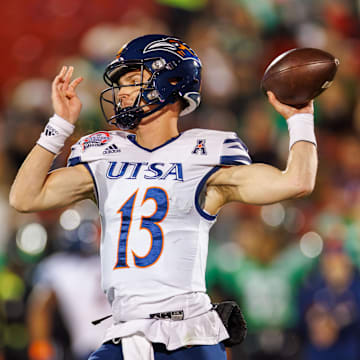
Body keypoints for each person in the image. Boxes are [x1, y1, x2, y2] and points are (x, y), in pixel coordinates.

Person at [9, 34, 317, 360]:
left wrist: (299, 120)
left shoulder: (204, 155)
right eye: (120, 83)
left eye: (132, 80)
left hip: (188, 335)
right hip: (127, 333)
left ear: (169, 81)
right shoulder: (105, 155)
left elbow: (296, 182)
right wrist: (58, 125)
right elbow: (25, 198)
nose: (121, 92)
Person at [27, 220, 111, 360]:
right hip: (124, 344)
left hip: (93, 349)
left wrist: (40, 346)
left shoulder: (58, 267)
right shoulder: (117, 260)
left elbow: (40, 307)